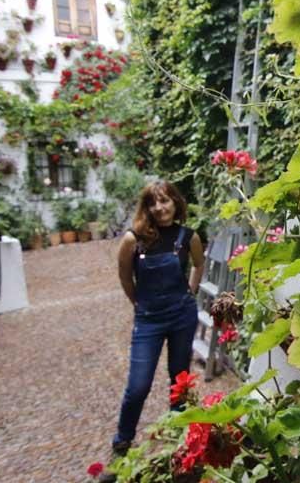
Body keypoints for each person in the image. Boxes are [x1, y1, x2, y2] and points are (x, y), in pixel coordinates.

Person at [102, 180, 204, 480]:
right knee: (138, 386)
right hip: (148, 319)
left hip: (182, 316)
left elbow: (199, 264)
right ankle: (121, 448)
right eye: (153, 203)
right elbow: (124, 276)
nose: (160, 208)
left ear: (175, 202)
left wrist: (191, 293)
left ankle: (178, 445)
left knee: (179, 383)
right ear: (146, 207)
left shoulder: (189, 237)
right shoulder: (133, 240)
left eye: (165, 201)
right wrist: (138, 303)